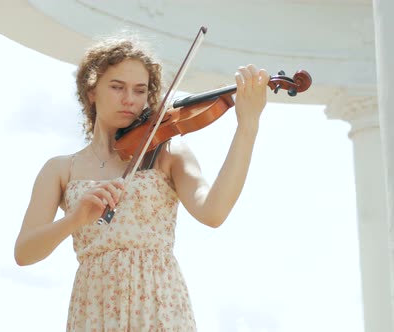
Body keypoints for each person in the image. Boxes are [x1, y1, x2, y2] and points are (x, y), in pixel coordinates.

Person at [14, 34, 270, 331]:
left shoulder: (168, 153)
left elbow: (213, 211)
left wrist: (247, 126)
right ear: (91, 90)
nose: (130, 100)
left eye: (140, 90)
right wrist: (75, 218)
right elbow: (24, 252)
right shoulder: (61, 169)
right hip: (95, 307)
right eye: (117, 87)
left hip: (159, 304)